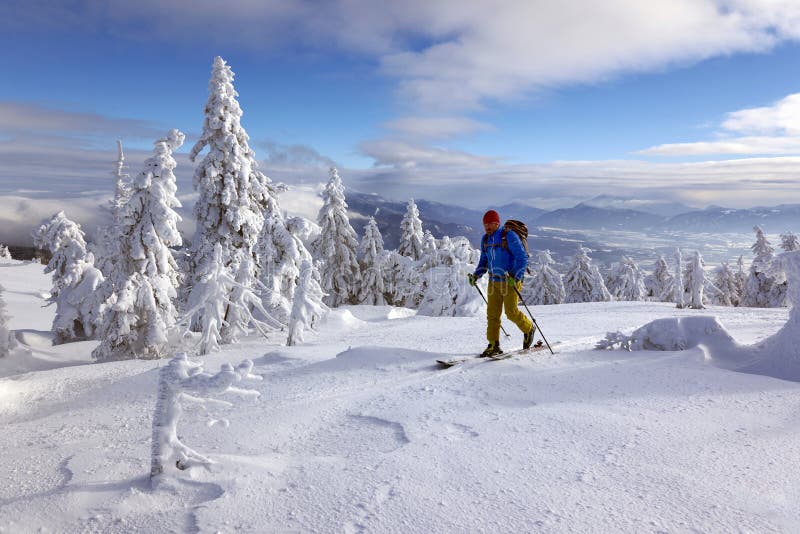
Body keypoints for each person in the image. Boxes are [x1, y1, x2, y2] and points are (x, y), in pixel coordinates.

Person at [468, 210, 534, 357]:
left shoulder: (508, 236)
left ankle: (529, 329)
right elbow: (484, 262)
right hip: (494, 281)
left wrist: (515, 277)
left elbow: (522, 258)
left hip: (510, 281)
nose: (487, 227)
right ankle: (493, 344)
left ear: (497, 223)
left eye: (490, 224)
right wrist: (476, 275)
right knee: (492, 314)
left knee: (511, 312)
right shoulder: (485, 239)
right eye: (485, 225)